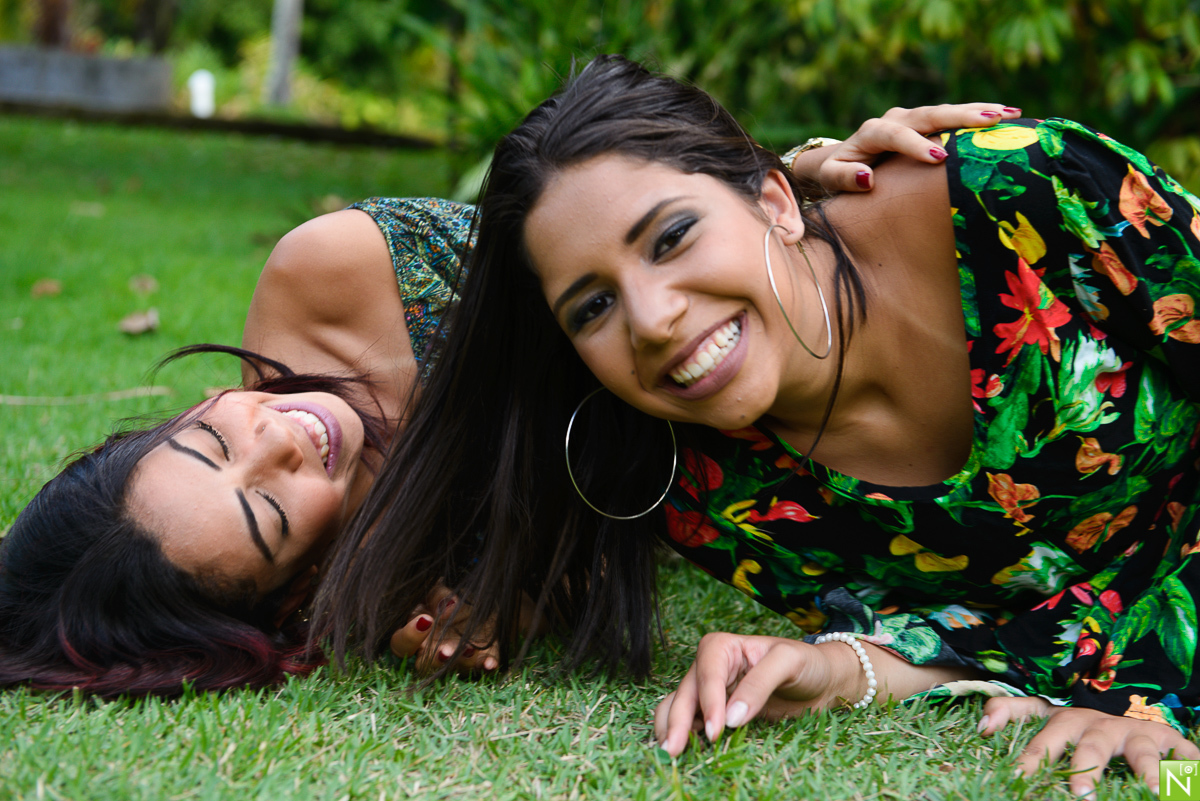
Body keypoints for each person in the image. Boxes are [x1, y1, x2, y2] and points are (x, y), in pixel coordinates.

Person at [320, 55, 1200, 797]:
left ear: (778, 200)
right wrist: (838, 669)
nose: (655, 319)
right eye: (592, 306)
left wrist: (1156, 686)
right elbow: (985, 629)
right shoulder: (690, 484)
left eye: (671, 237)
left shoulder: (1023, 192)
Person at [0, 106, 1000, 697]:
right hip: (771, 469)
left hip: (742, 312)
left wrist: (787, 169)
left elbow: (581, 236)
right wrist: (497, 611)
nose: (281, 439)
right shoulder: (393, 594)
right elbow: (597, 536)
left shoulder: (332, 275)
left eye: (209, 438)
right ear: (290, 595)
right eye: (264, 508)